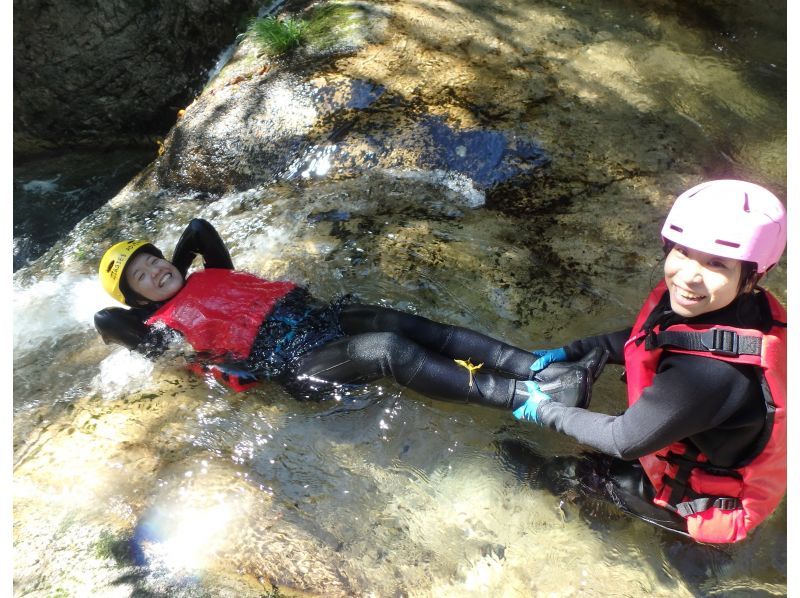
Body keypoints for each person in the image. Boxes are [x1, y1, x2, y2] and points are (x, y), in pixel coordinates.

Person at [510, 179, 786, 544]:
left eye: (716, 263)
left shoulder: (716, 374)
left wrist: (544, 410)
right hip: (698, 444)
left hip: (704, 502)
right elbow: (658, 336)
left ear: (752, 277)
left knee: (566, 472)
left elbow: (624, 439)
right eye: (683, 251)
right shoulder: (735, 306)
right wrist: (587, 348)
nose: (688, 276)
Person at [95, 218, 607, 413]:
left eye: (155, 258)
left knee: (406, 324)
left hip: (313, 318)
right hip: (292, 362)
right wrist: (155, 302)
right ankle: (529, 400)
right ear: (138, 303)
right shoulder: (161, 332)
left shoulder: (207, 273)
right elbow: (107, 320)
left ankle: (538, 368)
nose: (157, 268)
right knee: (386, 350)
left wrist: (166, 274)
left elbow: (198, 228)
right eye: (141, 275)